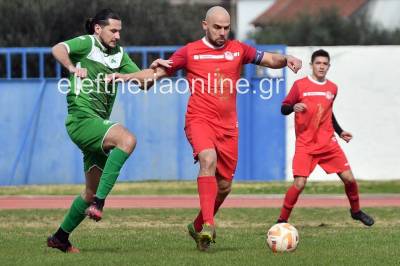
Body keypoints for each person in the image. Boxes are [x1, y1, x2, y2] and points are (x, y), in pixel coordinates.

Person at [112, 6, 302, 251]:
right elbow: (154, 74)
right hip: (199, 119)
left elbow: (269, 58)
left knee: (224, 187)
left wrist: (287, 60)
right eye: (217, 27)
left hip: (228, 127)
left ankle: (197, 225)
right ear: (205, 25)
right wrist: (125, 77)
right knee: (207, 158)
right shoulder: (189, 52)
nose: (222, 32)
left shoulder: (238, 49)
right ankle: (209, 226)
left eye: (226, 27)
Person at [47, 8, 170, 253]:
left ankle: (60, 237)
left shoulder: (118, 55)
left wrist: (157, 71)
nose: (117, 36)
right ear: (98, 29)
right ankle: (100, 204)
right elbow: (57, 49)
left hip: (95, 124)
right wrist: (72, 68)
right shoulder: (87, 43)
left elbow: (144, 80)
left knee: (89, 192)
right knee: (127, 139)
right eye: (113, 30)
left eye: (119, 31)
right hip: (81, 119)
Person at [277, 49, 374, 226]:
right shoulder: (300, 86)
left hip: (328, 144)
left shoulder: (332, 88)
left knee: (349, 179)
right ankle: (281, 221)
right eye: (318, 63)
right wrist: (293, 107)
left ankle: (356, 211)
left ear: (329, 66)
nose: (321, 66)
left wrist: (340, 131)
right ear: (311, 65)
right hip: (305, 145)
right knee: (299, 184)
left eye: (324, 64)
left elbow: (328, 113)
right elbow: (283, 108)